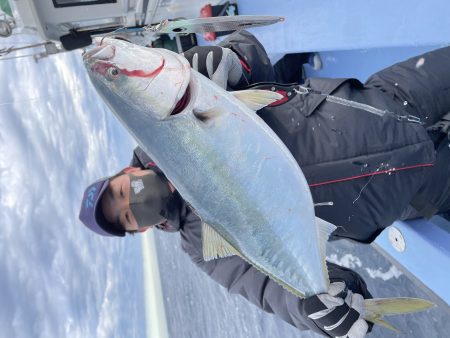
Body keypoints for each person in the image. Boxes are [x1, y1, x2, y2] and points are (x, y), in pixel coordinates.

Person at [79, 31, 450, 337]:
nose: (132, 204)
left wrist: (229, 62)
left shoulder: (182, 104)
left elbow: (252, 56)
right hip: (404, 192)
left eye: (121, 194)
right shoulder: (201, 247)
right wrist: (316, 309)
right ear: (141, 231)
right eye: (127, 217)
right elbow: (267, 289)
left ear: (124, 174)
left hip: (386, 99)